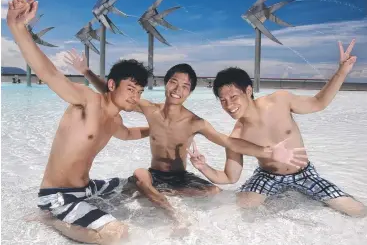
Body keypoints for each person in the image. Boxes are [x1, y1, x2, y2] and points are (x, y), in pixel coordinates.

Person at [67, 53, 307, 222]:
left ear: (190, 92)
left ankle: (153, 193)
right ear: (165, 83)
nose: (177, 89)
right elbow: (116, 95)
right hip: (155, 173)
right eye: (173, 82)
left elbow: (228, 141)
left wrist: (268, 152)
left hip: (180, 178)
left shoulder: (195, 122)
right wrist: (86, 72)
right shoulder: (149, 109)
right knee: (142, 175)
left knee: (215, 193)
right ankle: (156, 197)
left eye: (185, 86)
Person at [7, 0, 152, 244]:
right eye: (130, 89)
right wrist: (17, 27)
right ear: (111, 84)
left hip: (86, 189)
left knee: (136, 182)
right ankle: (52, 220)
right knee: (115, 234)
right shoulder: (87, 100)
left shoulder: (115, 121)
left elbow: (129, 135)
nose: (135, 96)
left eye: (139, 92)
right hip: (58, 195)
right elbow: (49, 74)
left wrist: (156, 128)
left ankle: (74, 210)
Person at [188, 39, 366, 217]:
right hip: (267, 176)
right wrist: (203, 167)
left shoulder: (279, 100)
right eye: (223, 101)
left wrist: (342, 72)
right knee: (240, 209)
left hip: (305, 174)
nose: (229, 105)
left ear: (248, 91)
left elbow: (319, 103)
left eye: (234, 96)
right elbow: (230, 177)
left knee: (358, 212)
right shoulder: (237, 135)